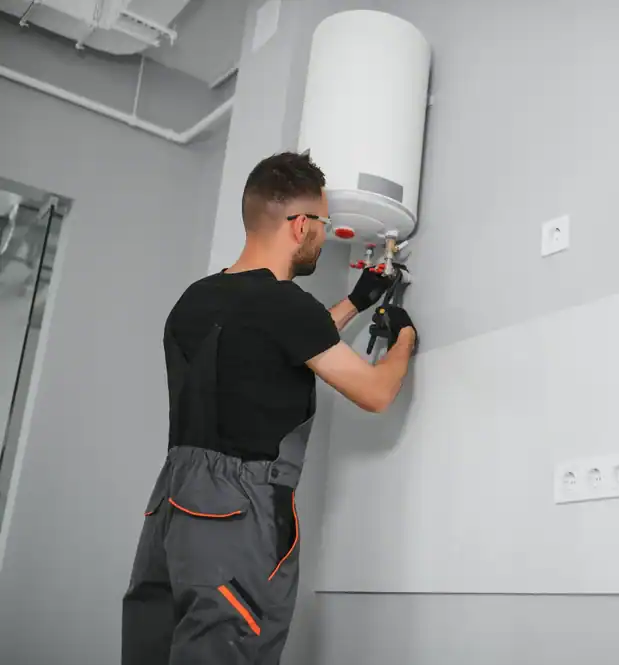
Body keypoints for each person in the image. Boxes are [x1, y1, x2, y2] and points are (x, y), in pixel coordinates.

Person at [121, 152, 417, 665]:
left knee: (156, 648)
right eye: (323, 225)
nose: (324, 237)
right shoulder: (284, 305)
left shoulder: (197, 298)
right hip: (238, 510)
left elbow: (273, 341)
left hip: (172, 503)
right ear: (301, 225)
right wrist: (405, 337)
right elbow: (375, 392)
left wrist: (357, 300)